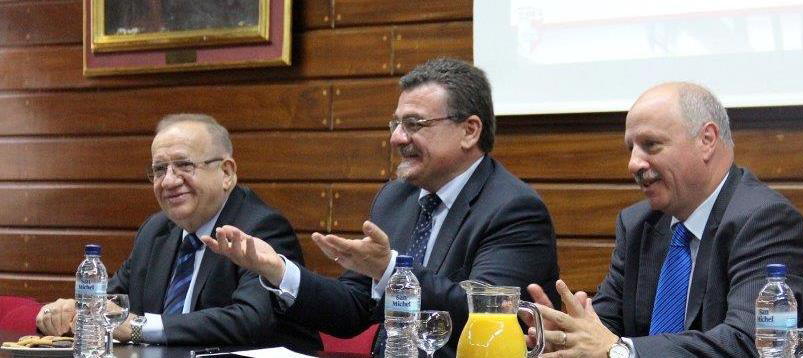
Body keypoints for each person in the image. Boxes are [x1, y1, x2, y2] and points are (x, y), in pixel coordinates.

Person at [203, 58, 561, 357]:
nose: (396, 138)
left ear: (469, 131)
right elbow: (353, 308)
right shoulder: (395, 198)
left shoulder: (514, 209)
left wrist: (392, 270)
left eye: (414, 124)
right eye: (396, 124)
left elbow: (484, 317)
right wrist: (278, 270)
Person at [527, 82, 803, 357]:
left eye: (651, 145)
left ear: (706, 139)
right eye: (630, 148)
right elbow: (603, 328)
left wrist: (622, 351)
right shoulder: (638, 225)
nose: (633, 163)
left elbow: (750, 343)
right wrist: (567, 338)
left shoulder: (764, 220)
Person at [35, 114, 321, 351]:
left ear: (227, 173)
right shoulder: (155, 231)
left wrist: (137, 327)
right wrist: (72, 309)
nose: (169, 181)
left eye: (184, 165)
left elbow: (249, 320)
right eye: (159, 169)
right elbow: (111, 302)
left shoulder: (260, 228)